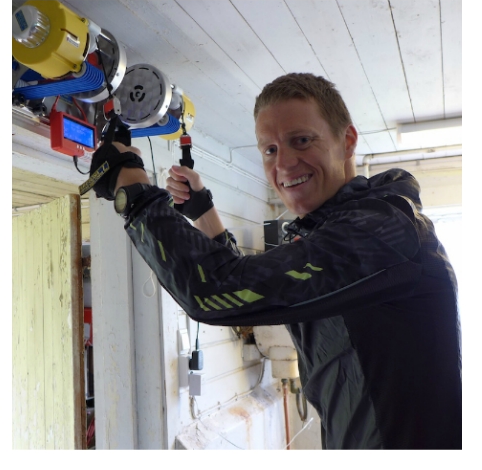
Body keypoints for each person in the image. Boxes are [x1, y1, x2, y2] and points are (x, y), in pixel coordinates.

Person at [93, 72, 461, 449]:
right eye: (269, 150)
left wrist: (133, 192)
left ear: (346, 141)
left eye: (301, 140)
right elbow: (252, 290)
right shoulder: (336, 234)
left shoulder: (383, 231)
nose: (283, 164)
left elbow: (217, 291)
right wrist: (204, 212)